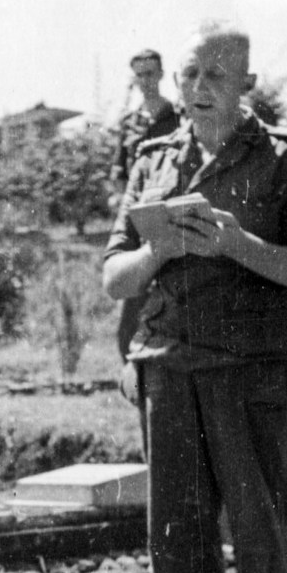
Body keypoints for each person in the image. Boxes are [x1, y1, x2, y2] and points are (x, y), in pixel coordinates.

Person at [103, 21, 287, 573]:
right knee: (176, 529)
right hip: (169, 365)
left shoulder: (285, 157)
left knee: (258, 526)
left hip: (252, 369)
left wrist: (236, 243)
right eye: (190, 75)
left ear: (246, 85)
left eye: (216, 76)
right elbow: (114, 277)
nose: (199, 89)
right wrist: (157, 253)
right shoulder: (151, 159)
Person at [111, 49, 181, 360]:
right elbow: (118, 174)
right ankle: (132, 371)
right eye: (139, 75)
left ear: (162, 74)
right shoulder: (129, 123)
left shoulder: (178, 117)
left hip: (172, 218)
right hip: (138, 225)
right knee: (132, 309)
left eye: (150, 73)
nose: (145, 81)